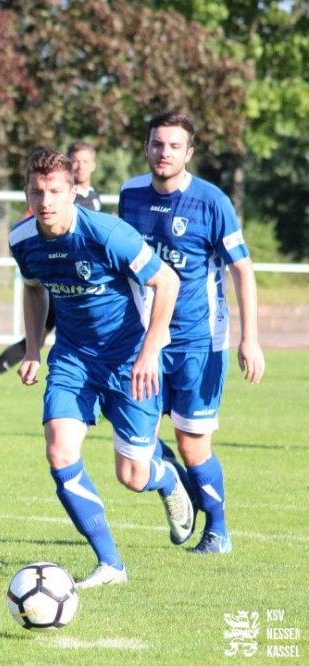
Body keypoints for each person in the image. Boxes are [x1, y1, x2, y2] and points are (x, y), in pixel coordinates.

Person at [12, 148, 191, 589]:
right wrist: (33, 349)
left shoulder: (108, 234)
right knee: (59, 451)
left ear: (73, 192)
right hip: (73, 359)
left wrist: (150, 351)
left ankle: (166, 477)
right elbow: (33, 290)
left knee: (132, 475)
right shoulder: (22, 240)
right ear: (26, 193)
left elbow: (167, 281)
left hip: (131, 359)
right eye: (37, 192)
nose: (46, 201)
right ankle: (110, 563)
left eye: (55, 191)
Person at [119, 110, 266, 555]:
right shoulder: (129, 194)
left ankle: (218, 532)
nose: (164, 153)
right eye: (157, 144)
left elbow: (242, 269)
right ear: (146, 147)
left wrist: (250, 337)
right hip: (144, 339)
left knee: (192, 442)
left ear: (189, 153)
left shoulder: (211, 201)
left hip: (197, 342)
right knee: (133, 440)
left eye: (174, 146)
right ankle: (173, 482)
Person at [0, 140, 102, 419]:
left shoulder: (93, 197)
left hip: (86, 287)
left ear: (94, 165)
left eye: (86, 161)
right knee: (40, 337)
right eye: (75, 161)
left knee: (47, 337)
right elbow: (33, 223)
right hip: (57, 284)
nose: (80, 166)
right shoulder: (50, 197)